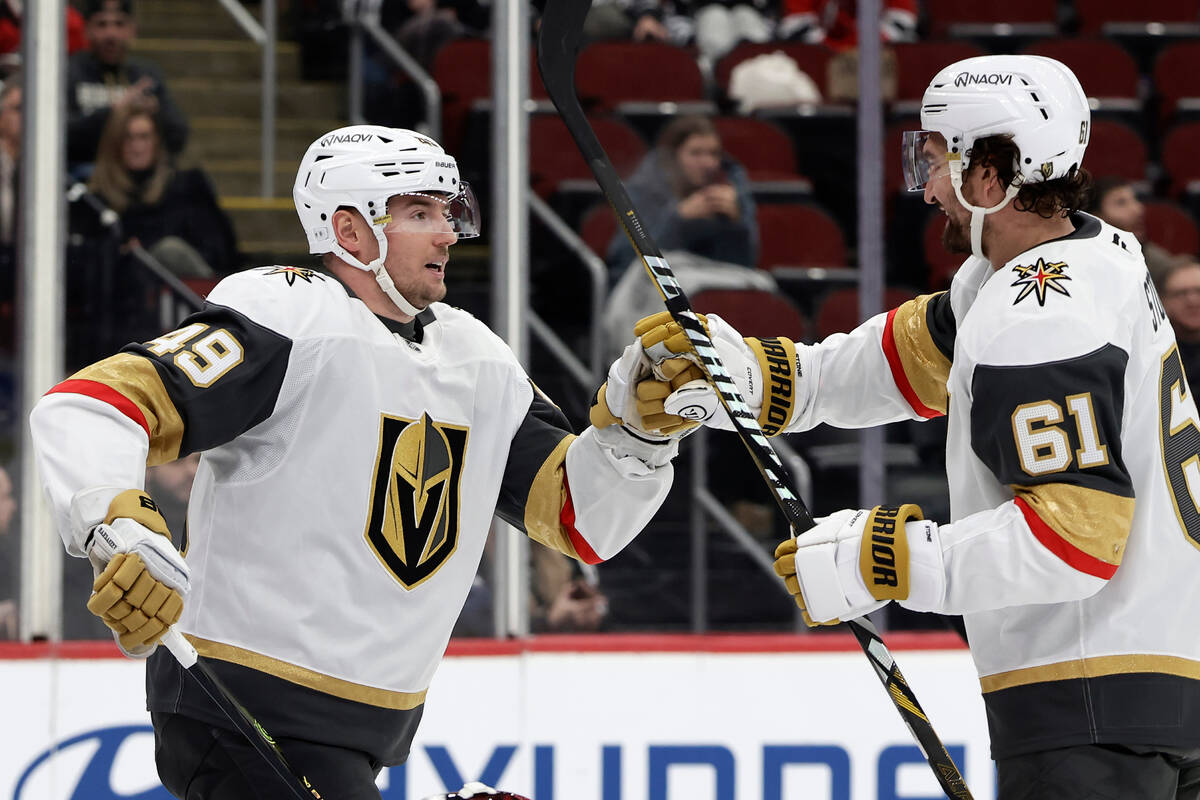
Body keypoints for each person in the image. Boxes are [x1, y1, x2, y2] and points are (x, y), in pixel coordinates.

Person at [30, 124, 704, 799]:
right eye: (419, 213)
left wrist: (639, 437)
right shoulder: (291, 319)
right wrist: (121, 530)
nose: (447, 232)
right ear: (350, 232)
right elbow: (94, 405)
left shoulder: (477, 358)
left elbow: (579, 519)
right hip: (239, 710)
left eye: (448, 211)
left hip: (365, 731)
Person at [643, 55, 1200, 797]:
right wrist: (772, 379)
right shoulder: (1086, 256)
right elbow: (910, 355)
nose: (928, 187)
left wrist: (889, 561)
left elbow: (1074, 540)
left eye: (938, 161)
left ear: (992, 174)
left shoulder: (1040, 317)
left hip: (1096, 696)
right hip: (1159, 676)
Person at [85, 104, 237, 278]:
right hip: (125, 292)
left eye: (144, 137)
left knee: (170, 252)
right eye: (128, 138)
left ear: (157, 142)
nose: (137, 147)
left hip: (186, 289)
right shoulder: (97, 200)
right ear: (115, 144)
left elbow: (218, 248)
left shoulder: (186, 187)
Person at [67, 0, 188, 169]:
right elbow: (59, 134)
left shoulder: (146, 74)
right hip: (83, 174)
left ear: (132, 30)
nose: (111, 34)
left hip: (137, 178)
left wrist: (156, 114)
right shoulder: (70, 72)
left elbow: (179, 136)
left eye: (119, 24)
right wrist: (113, 112)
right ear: (87, 30)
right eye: (101, 24)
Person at [1085, 175, 1175, 282]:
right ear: (1095, 216)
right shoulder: (1080, 261)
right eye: (1121, 203)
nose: (1138, 209)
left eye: (1135, 199)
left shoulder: (1156, 262)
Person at [1158, 256, 1200, 390]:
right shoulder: (1153, 354)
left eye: (1199, 291)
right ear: (1163, 301)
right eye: (1181, 293)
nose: (1193, 301)